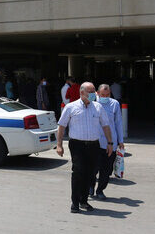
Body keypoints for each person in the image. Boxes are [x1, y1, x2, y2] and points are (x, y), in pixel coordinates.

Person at [55, 82, 114, 214]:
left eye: (94, 91)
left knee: (90, 173)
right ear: (82, 93)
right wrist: (59, 145)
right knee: (78, 172)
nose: (94, 94)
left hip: (93, 145)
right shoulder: (71, 107)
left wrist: (110, 143)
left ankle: (84, 200)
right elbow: (62, 126)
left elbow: (105, 125)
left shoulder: (98, 107)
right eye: (90, 91)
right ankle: (75, 203)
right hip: (77, 145)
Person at [90, 84, 124, 200]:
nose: (105, 97)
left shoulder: (114, 104)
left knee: (107, 169)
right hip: (95, 142)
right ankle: (90, 186)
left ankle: (100, 190)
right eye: (103, 95)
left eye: (107, 94)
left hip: (110, 142)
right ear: (98, 93)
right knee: (93, 167)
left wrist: (120, 140)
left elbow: (118, 122)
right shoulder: (92, 103)